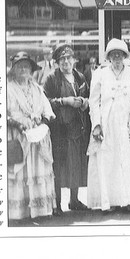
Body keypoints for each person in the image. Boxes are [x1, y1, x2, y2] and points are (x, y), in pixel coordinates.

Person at [86, 39, 130, 212]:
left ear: (125, 56)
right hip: (107, 122)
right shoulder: (100, 74)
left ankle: (129, 200)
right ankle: (108, 202)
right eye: (113, 55)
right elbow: (93, 101)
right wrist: (96, 124)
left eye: (120, 54)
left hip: (127, 122)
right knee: (107, 160)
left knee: (127, 159)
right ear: (109, 57)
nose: (117, 58)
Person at [6, 51, 57, 221]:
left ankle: (40, 211)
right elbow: (0, 113)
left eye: (26, 67)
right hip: (19, 136)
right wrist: (17, 124)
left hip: (38, 139)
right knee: (20, 173)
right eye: (20, 67)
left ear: (31, 70)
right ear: (13, 70)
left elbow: (48, 111)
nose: (23, 70)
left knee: (38, 172)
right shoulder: (7, 89)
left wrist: (43, 122)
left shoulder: (37, 88)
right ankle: (20, 213)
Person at [43, 44, 91, 214]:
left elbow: (89, 97)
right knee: (59, 166)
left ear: (74, 60)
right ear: (57, 62)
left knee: (75, 165)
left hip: (78, 129)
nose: (65, 62)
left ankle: (74, 200)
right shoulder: (51, 78)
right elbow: (45, 101)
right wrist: (65, 101)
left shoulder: (80, 77)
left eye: (68, 58)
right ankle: (57, 204)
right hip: (59, 130)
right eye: (62, 59)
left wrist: (85, 103)